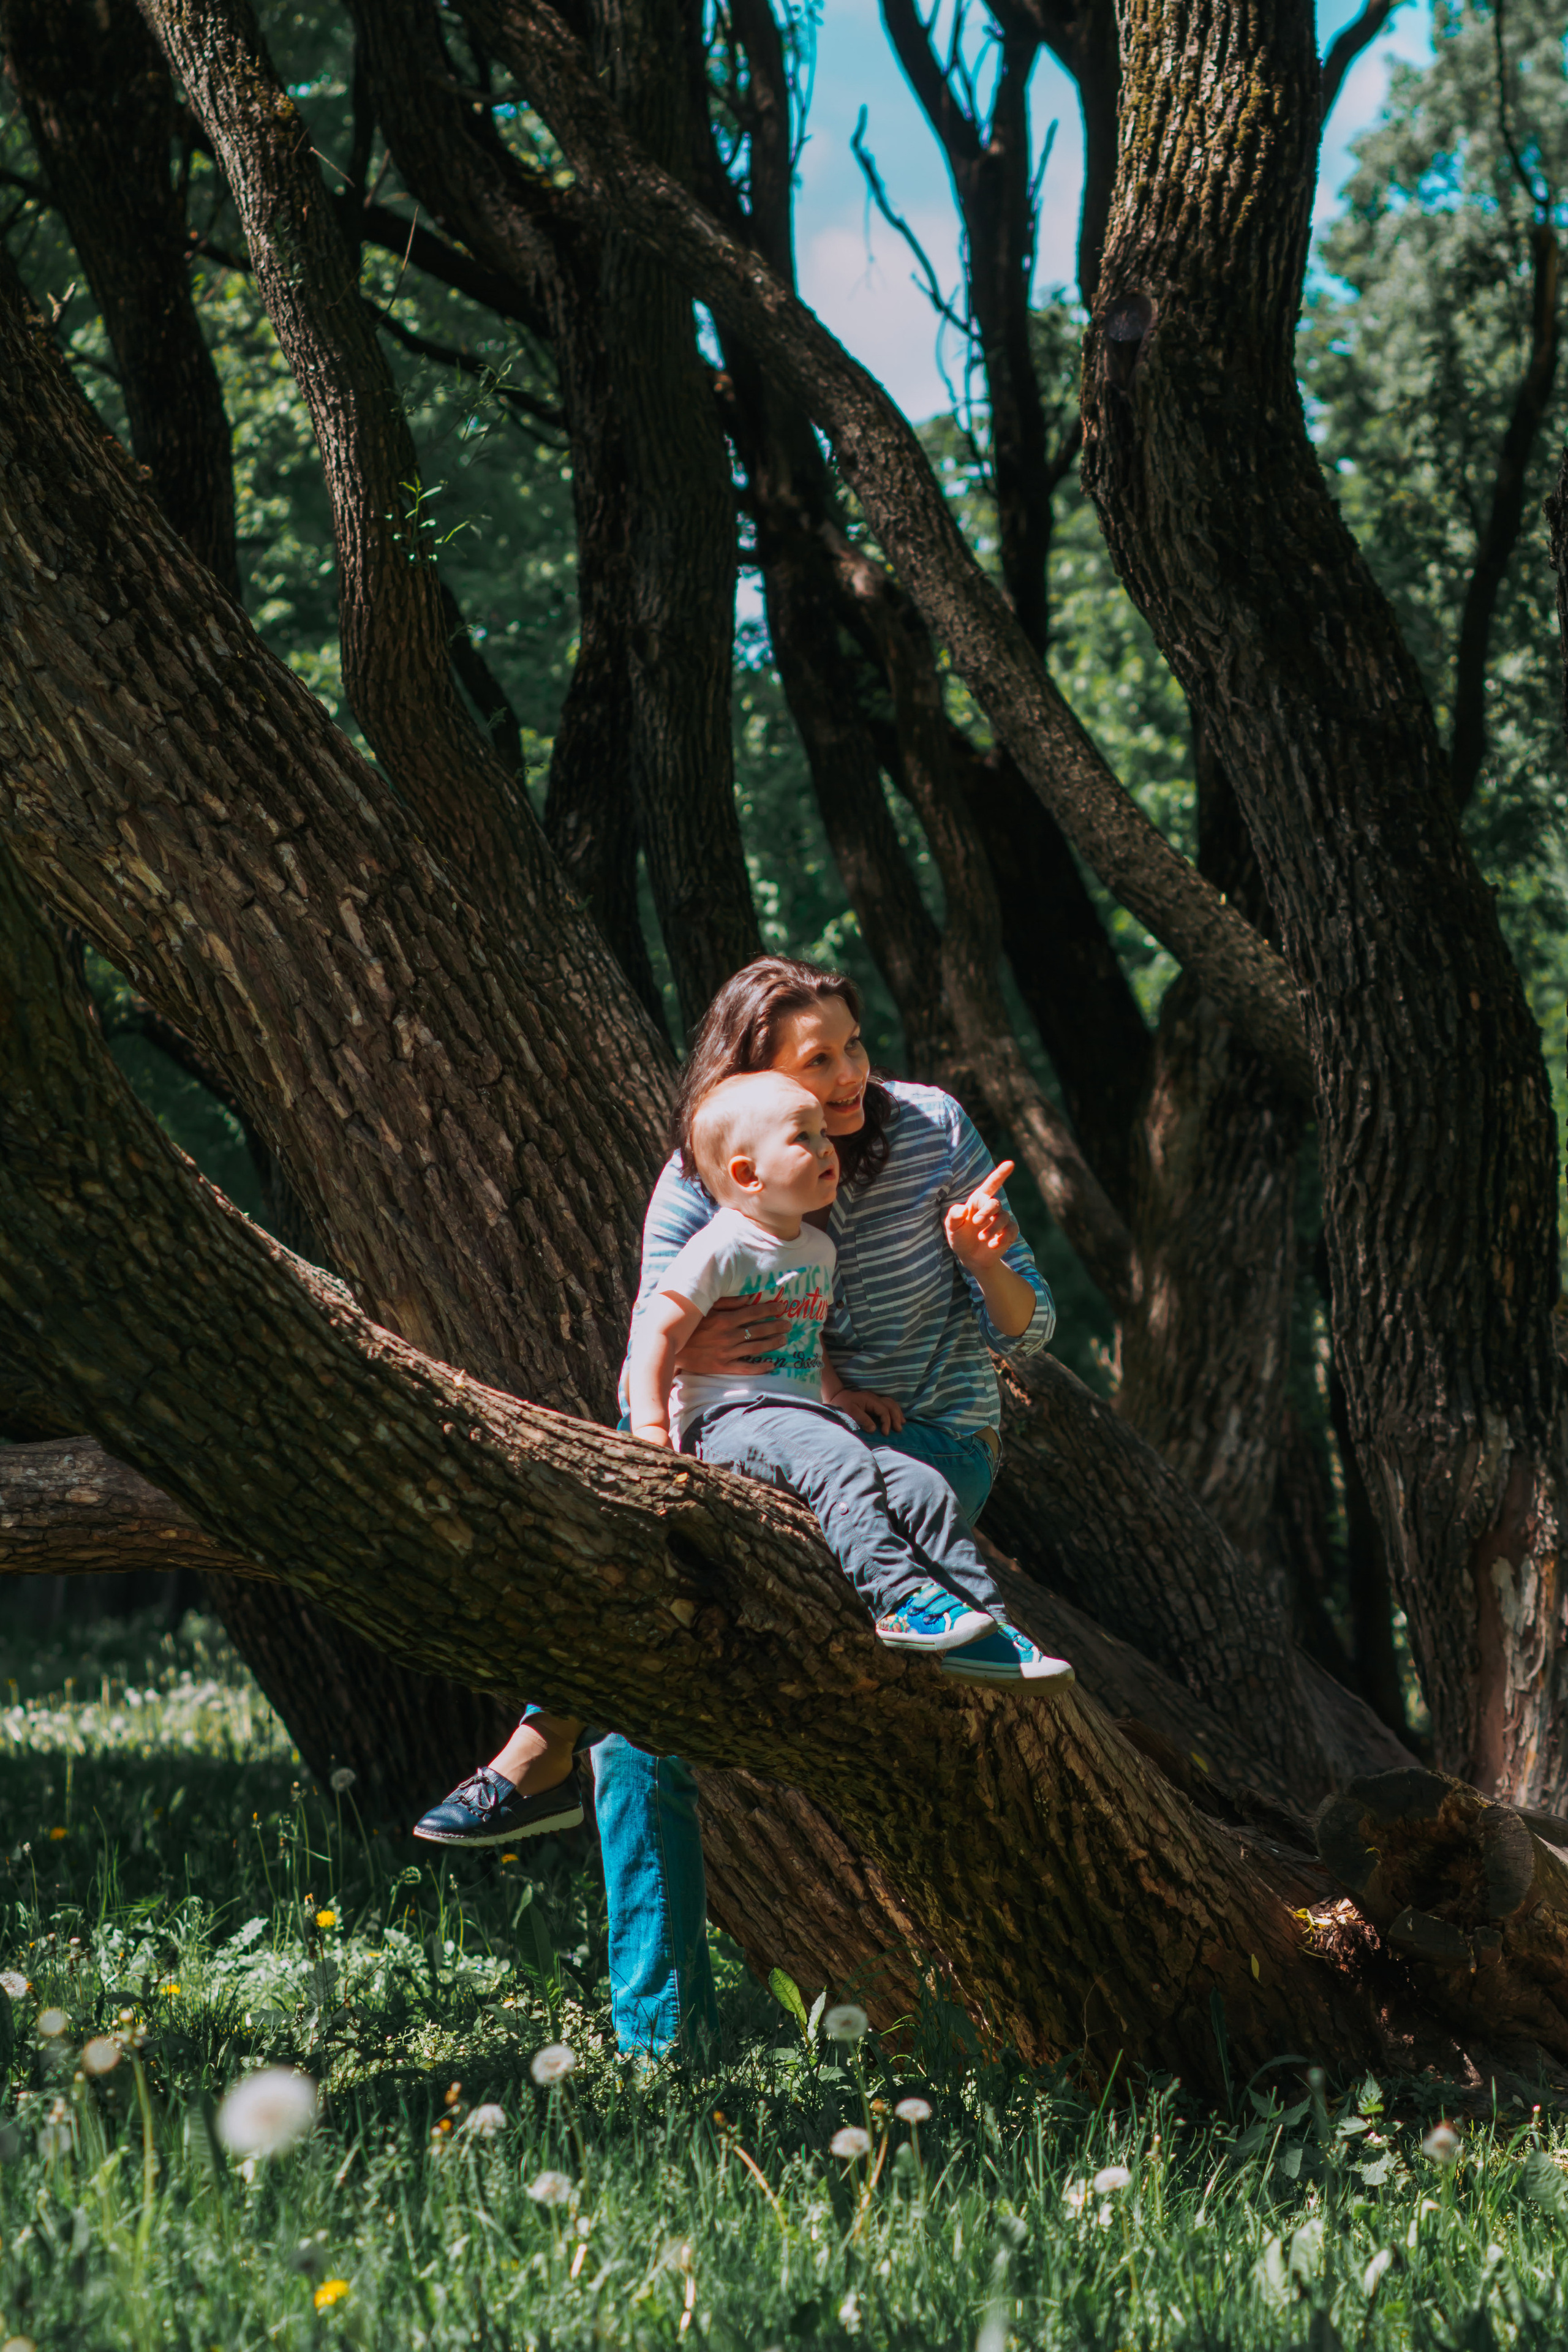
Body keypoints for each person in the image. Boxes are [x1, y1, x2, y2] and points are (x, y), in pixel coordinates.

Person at [413, 957, 1061, 2056]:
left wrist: (981, 1262)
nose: (855, 1079)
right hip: (759, 1441)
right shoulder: (702, 1177)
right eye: (820, 1063)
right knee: (644, 1683)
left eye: (856, 1047)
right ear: (746, 1097)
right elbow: (654, 1366)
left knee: (694, 1611)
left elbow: (1028, 1330)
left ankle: (543, 1733)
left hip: (925, 1443)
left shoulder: (930, 1134)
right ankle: (657, 2047)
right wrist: (688, 1380)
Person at [628, 1068, 1072, 1681]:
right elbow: (657, 1329)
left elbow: (804, 1335)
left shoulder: (814, 1248)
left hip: (805, 1418)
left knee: (920, 1487)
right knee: (841, 1460)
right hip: (728, 1421)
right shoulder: (722, 1246)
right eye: (803, 1138)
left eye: (822, 1134)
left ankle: (983, 1625)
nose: (824, 1149)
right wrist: (651, 1430)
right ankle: (900, 1601)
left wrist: (837, 1394)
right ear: (746, 1175)